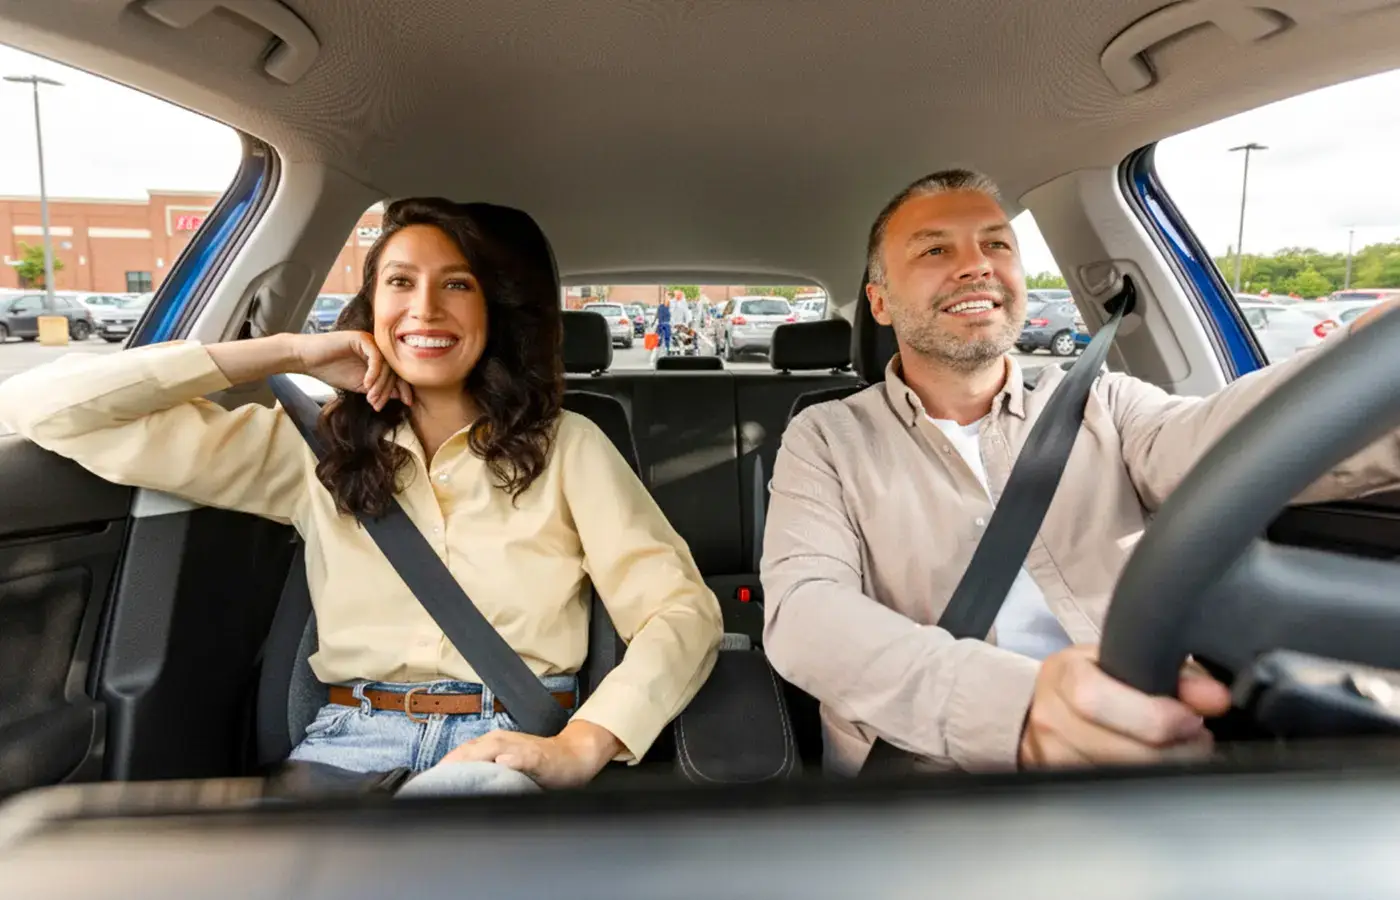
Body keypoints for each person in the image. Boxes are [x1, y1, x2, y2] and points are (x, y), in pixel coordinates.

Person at [0, 197, 723, 795]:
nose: (426, 308)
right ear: (370, 305)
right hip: (341, 749)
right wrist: (292, 351)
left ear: (495, 311)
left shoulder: (567, 448)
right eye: (400, 282)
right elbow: (47, 408)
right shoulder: (309, 447)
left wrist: (583, 745)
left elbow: (681, 611)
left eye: (458, 284)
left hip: (500, 750)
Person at [760, 169, 1400, 776]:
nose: (977, 263)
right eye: (933, 250)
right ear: (880, 302)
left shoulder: (1108, 404)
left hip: (1139, 749)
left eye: (996, 243)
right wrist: (1021, 711)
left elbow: (1224, 444)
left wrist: (1363, 372)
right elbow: (806, 612)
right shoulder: (828, 437)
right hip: (924, 778)